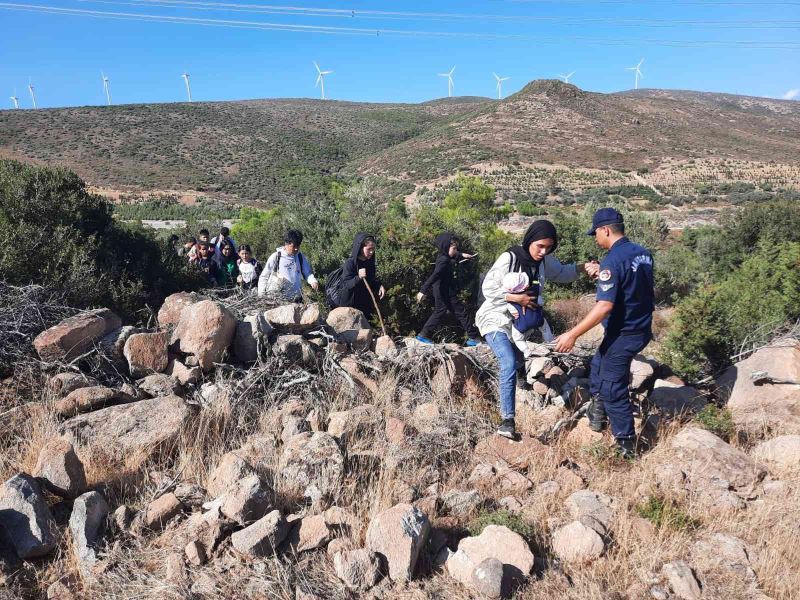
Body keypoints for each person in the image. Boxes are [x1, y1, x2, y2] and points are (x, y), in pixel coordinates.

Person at [476, 220, 597, 440]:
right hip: (494, 318)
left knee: (517, 359)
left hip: (518, 323)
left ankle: (519, 384)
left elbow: (562, 273)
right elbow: (488, 288)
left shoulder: (543, 262)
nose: (543, 251)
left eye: (548, 247)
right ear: (530, 240)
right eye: (539, 246)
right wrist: (515, 298)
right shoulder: (510, 258)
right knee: (508, 361)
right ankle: (507, 421)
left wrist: (583, 267)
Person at [553, 208, 654, 459]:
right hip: (640, 328)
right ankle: (597, 415)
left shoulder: (612, 260)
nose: (595, 239)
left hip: (624, 332)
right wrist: (603, 273)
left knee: (612, 386)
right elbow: (632, 284)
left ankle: (626, 445)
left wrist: (572, 334)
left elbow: (604, 306)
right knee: (598, 365)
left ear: (605, 230)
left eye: (596, 233)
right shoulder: (642, 253)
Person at [415, 232, 481, 346]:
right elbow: (434, 276)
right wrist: (422, 290)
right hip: (443, 290)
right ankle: (473, 337)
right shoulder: (443, 261)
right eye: (454, 248)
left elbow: (453, 254)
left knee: (443, 312)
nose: (455, 250)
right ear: (446, 247)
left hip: (443, 289)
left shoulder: (444, 255)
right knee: (460, 312)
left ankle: (423, 335)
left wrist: (462, 254)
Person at [257, 229, 319, 302]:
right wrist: (261, 296)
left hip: (297, 299)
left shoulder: (300, 257)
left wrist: (313, 281)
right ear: (286, 244)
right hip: (278, 301)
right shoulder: (276, 257)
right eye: (294, 246)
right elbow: (264, 276)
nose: (296, 249)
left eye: (298, 246)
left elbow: (307, 273)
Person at [339, 233, 385, 321]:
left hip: (364, 305)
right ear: (360, 248)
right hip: (350, 306)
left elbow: (371, 280)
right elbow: (346, 284)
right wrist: (358, 277)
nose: (371, 252)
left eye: (373, 249)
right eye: (369, 249)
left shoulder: (370, 263)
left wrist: (379, 285)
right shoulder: (350, 263)